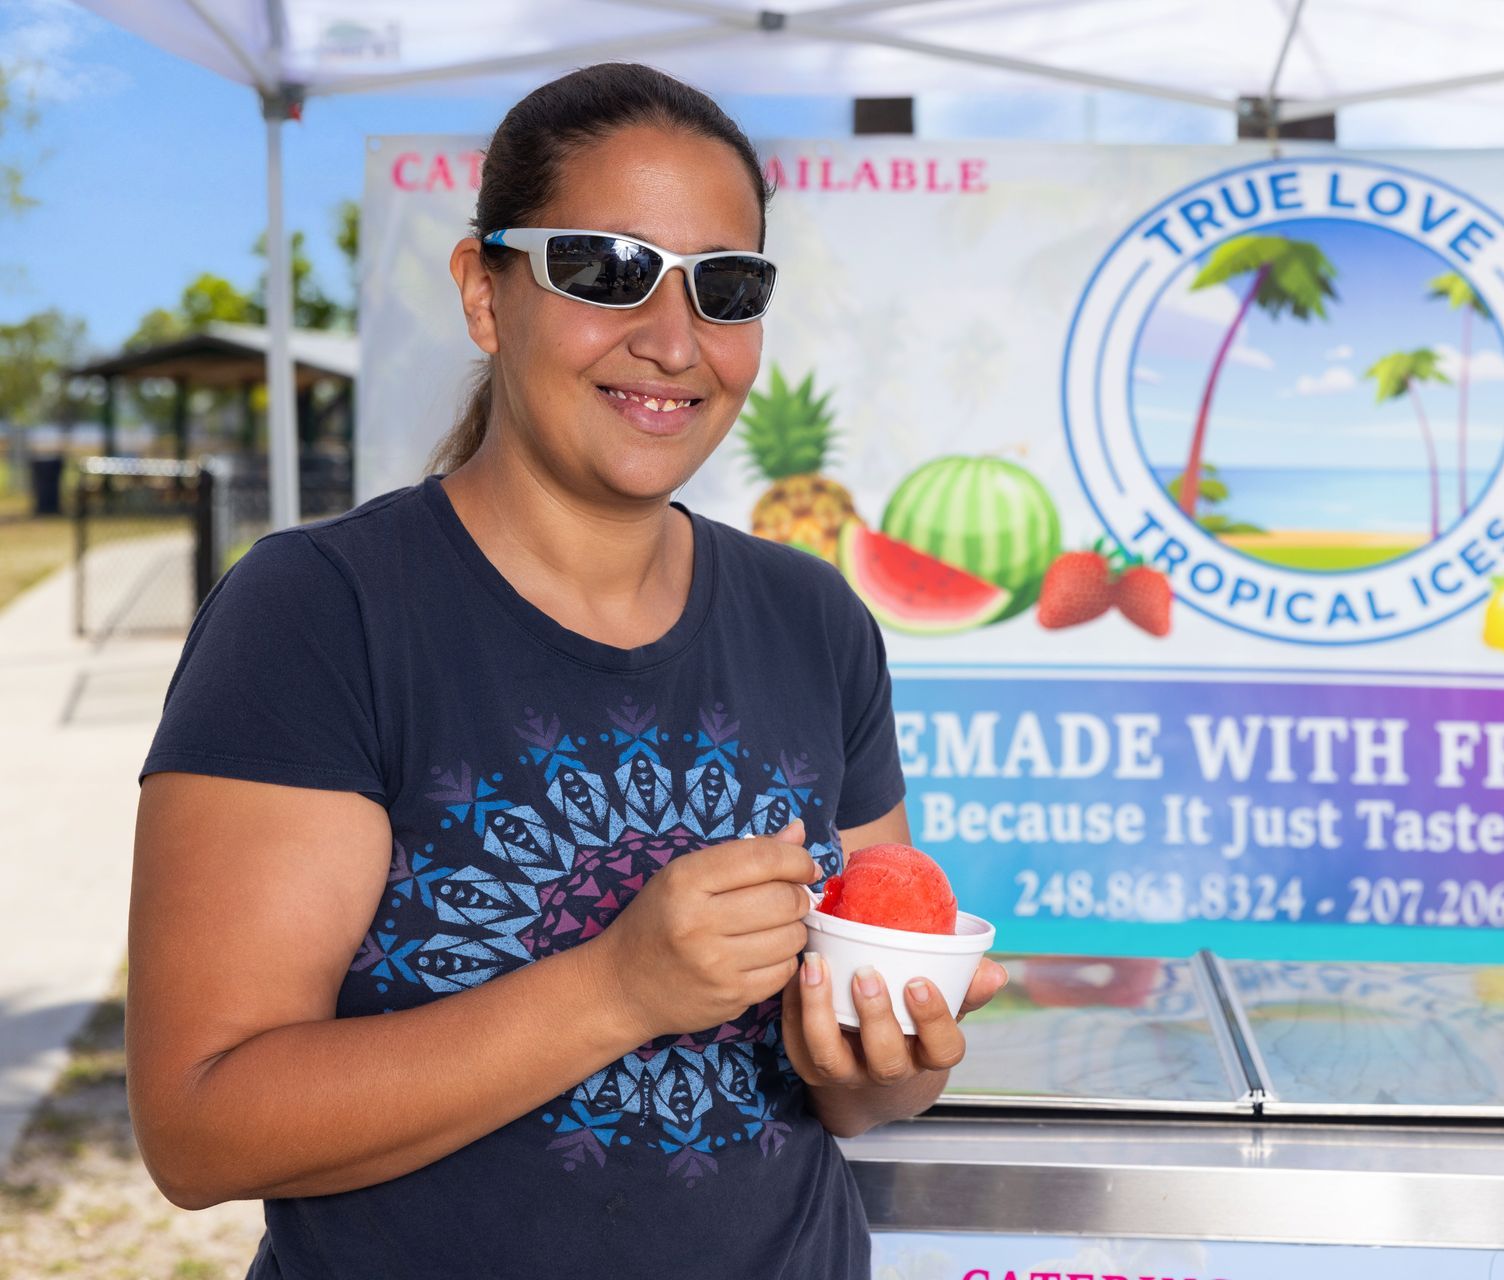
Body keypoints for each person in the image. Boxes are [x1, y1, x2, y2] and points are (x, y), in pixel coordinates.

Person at [126, 62, 1005, 1279]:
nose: (672, 339)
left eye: (725, 286)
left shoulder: (816, 619)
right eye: (606, 268)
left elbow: (855, 1098)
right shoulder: (320, 612)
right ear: (484, 293)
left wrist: (882, 1058)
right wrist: (617, 988)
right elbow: (200, 1125)